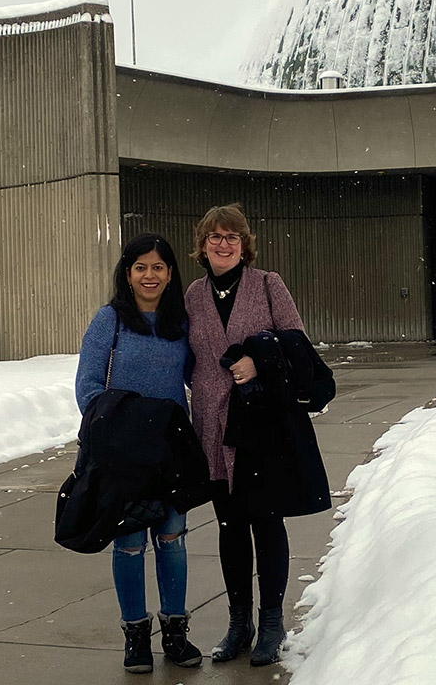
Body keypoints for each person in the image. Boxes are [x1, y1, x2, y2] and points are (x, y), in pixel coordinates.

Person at [185, 204, 329, 667]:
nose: (222, 244)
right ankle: (238, 623)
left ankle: (271, 623)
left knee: (266, 522)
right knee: (230, 527)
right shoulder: (191, 294)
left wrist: (258, 362)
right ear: (202, 245)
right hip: (214, 426)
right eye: (214, 237)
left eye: (231, 237)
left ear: (244, 245)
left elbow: (297, 347)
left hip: (263, 425)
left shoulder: (268, 284)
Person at [74, 233, 202, 674]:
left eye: (159, 267)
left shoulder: (180, 322)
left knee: (172, 539)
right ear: (127, 274)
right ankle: (135, 634)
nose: (150, 275)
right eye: (141, 267)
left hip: (169, 452)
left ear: (170, 274)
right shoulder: (108, 320)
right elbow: (88, 386)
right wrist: (121, 426)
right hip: (123, 454)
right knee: (129, 543)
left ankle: (175, 632)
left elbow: (198, 377)